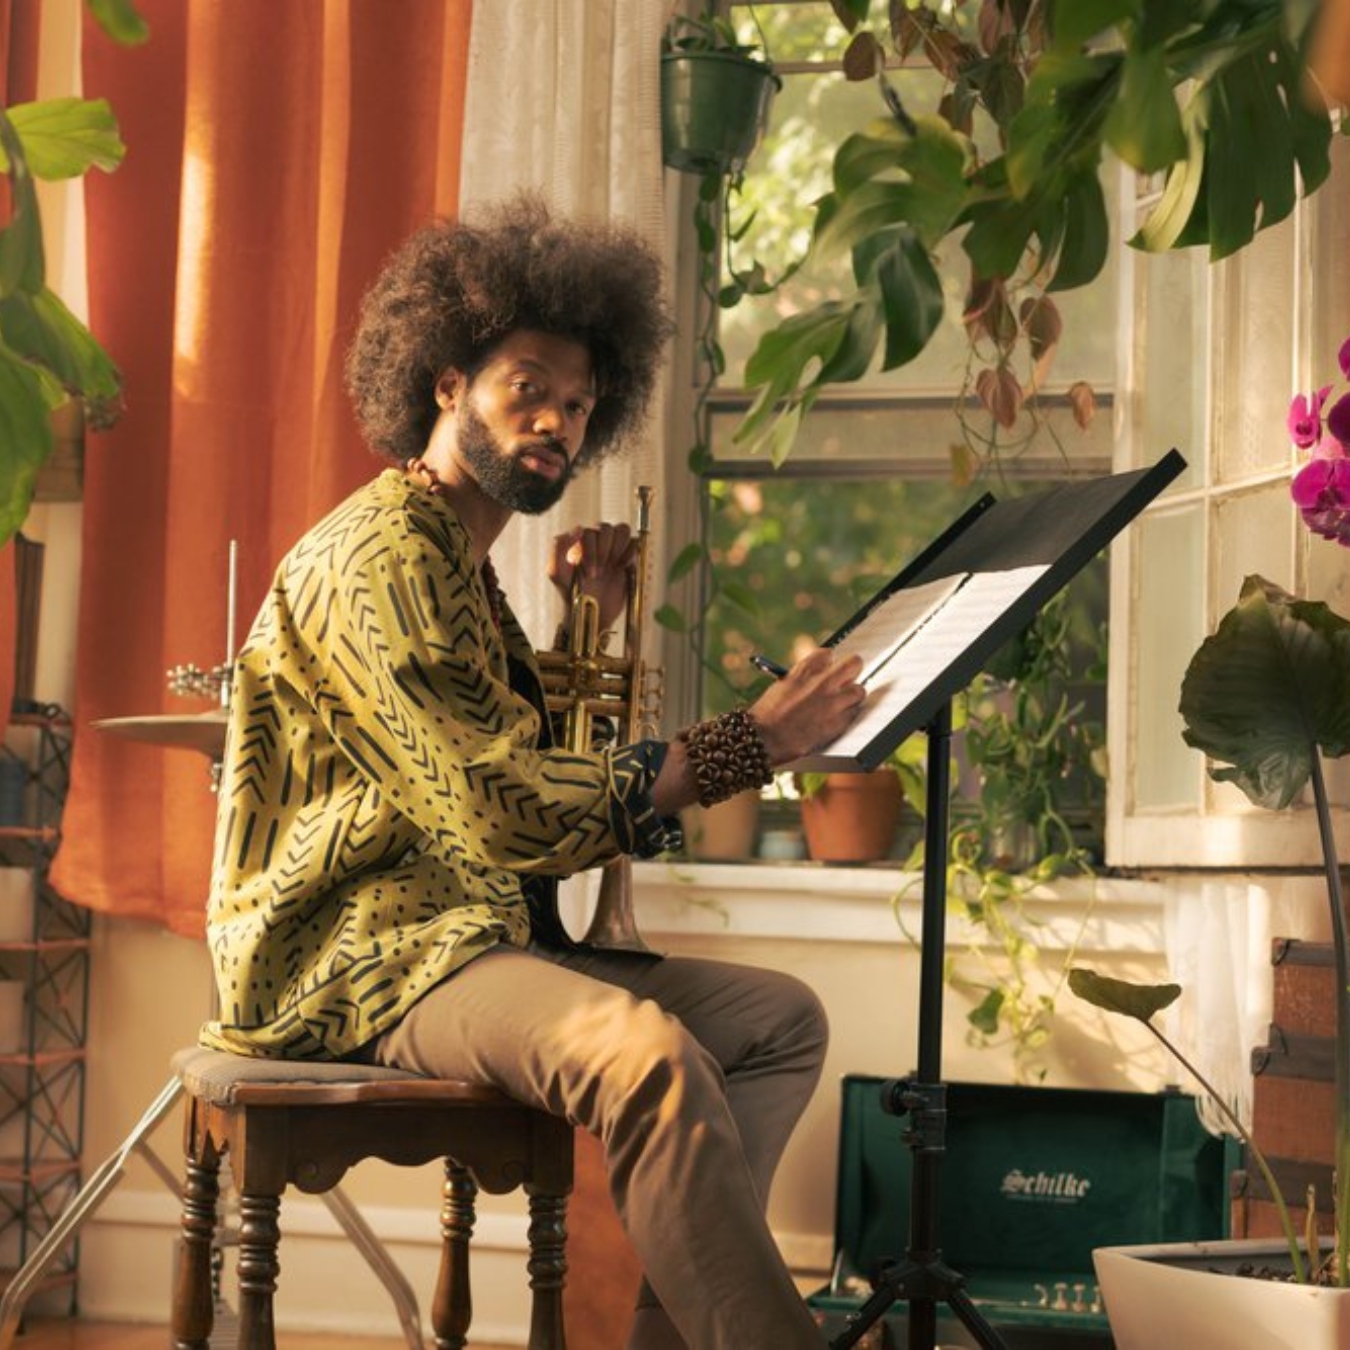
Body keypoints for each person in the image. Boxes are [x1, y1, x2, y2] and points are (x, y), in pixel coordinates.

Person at [202, 193, 867, 1349]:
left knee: (776, 1020)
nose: (555, 420)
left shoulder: (461, 563)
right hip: (356, 953)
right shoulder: (381, 558)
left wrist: (582, 626)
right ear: (447, 379)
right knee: (650, 1059)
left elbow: (527, 791)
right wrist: (746, 745)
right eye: (529, 388)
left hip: (468, 936)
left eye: (577, 405)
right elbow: (499, 812)